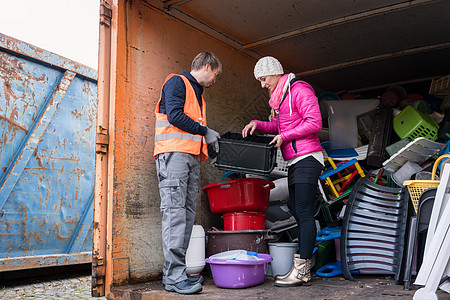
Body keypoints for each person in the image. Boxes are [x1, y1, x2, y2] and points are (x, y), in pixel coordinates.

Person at [242, 56, 324, 287]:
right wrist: (258, 124)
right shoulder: (280, 98)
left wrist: (285, 137)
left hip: (308, 157)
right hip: (296, 160)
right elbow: (279, 127)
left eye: (264, 78)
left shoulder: (299, 89)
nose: (262, 84)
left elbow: (314, 122)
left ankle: (301, 271)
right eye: (259, 80)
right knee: (299, 213)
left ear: (276, 73)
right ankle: (301, 270)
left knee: (304, 212)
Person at [154, 52, 222, 294]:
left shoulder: (198, 95)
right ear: (206, 66)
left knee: (186, 216)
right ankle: (174, 276)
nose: (215, 79)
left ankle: (177, 273)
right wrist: (205, 131)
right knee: (174, 215)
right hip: (173, 157)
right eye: (216, 74)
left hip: (190, 159)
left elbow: (192, 130)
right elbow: (175, 116)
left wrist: (211, 153)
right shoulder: (176, 82)